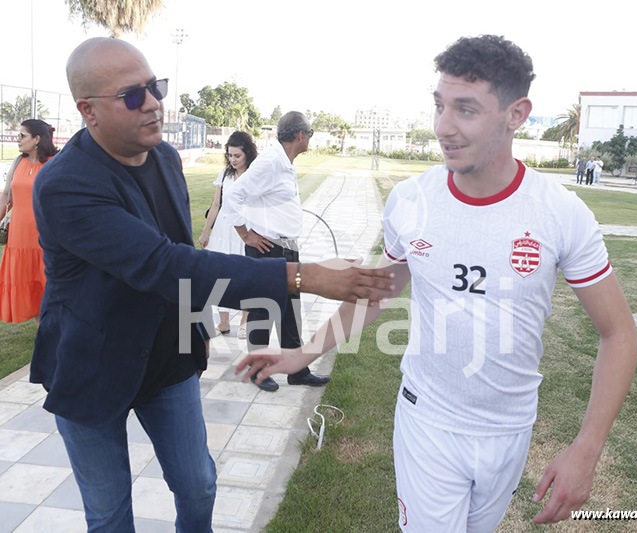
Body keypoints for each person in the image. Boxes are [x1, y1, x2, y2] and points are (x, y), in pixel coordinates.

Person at [237, 34, 637, 532]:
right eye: (439, 106)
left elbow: (619, 333)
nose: (443, 127)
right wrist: (302, 354)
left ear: (516, 114)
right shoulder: (412, 201)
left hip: (510, 427)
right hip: (427, 418)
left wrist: (587, 447)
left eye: (465, 109)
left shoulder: (561, 214)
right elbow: (378, 291)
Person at [30, 37, 393, 533]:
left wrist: (195, 329)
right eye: (133, 96)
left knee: (198, 484)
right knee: (110, 513)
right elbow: (167, 265)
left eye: (155, 87)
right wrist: (305, 276)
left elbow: (187, 254)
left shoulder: (162, 158)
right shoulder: (66, 185)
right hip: (90, 361)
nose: (155, 103)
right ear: (88, 111)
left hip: (167, 355)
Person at [225, 111, 329, 392]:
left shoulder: (285, 163)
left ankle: (297, 371)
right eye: (310, 133)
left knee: (290, 312)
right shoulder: (270, 162)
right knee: (262, 311)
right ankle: (258, 371)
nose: (310, 138)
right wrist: (246, 234)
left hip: (286, 250)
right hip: (267, 252)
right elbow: (233, 195)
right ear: (300, 135)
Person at [0, 119, 59, 323]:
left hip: (45, 240)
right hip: (18, 240)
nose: (18, 139)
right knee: (31, 291)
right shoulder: (18, 162)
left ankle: (48, 335)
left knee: (48, 290)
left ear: (37, 139)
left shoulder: (54, 164)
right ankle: (43, 334)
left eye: (22, 135)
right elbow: (7, 195)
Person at [199, 131, 256, 338]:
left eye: (237, 156)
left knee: (244, 275)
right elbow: (216, 205)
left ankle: (244, 321)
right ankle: (223, 322)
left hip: (245, 228)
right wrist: (206, 232)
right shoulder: (224, 174)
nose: (233, 160)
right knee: (220, 275)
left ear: (247, 154)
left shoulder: (254, 174)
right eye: (230, 155)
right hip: (223, 228)